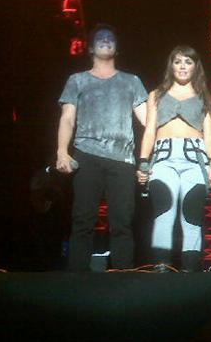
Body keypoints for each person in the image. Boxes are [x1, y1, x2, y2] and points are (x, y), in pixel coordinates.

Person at [56, 24, 148, 271]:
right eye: (100, 38)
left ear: (117, 48)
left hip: (122, 159)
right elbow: (67, 118)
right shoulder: (77, 80)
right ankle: (77, 278)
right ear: (90, 48)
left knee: (122, 222)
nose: (106, 40)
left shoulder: (131, 81)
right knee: (82, 220)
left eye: (111, 38)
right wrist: (62, 151)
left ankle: (123, 277)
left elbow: (148, 121)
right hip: (87, 155)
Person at [137, 45, 211, 272]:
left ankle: (190, 270)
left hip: (195, 158)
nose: (183, 66)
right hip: (164, 157)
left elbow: (210, 136)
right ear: (171, 66)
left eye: (188, 62)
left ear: (195, 67)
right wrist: (143, 162)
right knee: (164, 210)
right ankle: (162, 266)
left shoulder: (204, 98)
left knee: (192, 214)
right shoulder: (156, 95)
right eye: (178, 61)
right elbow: (149, 131)